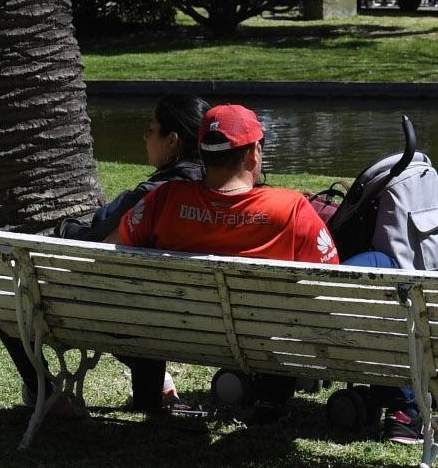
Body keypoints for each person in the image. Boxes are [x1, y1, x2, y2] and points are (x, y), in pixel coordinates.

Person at [101, 104, 338, 421]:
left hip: (173, 333)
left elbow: (107, 255)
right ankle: (270, 395)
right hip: (264, 336)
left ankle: (149, 394)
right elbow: (330, 282)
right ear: (253, 154)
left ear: (202, 154)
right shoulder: (291, 209)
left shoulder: (164, 201)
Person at [57, 95, 208, 242]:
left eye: (150, 130)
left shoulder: (151, 198)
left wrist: (65, 227)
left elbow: (96, 242)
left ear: (171, 141)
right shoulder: (218, 194)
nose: (145, 137)